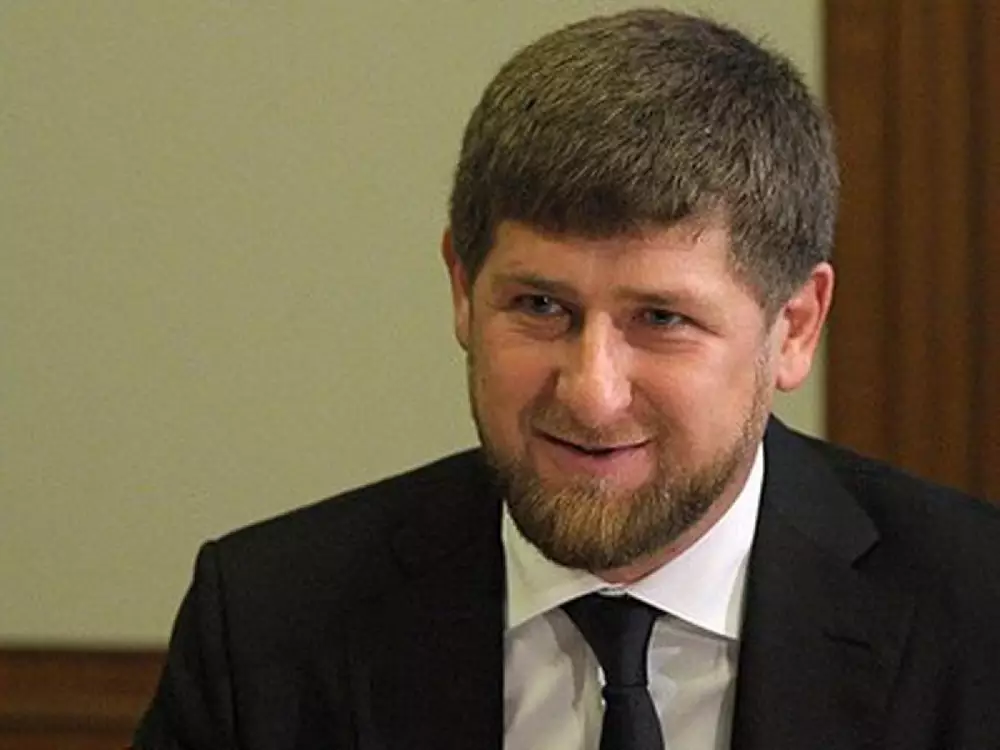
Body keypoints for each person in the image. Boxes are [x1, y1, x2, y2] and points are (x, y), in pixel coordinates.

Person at [133, 8, 1000, 750]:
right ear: (463, 289)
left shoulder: (977, 620)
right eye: (541, 306)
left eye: (661, 319)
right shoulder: (267, 625)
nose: (591, 393)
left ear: (795, 327)